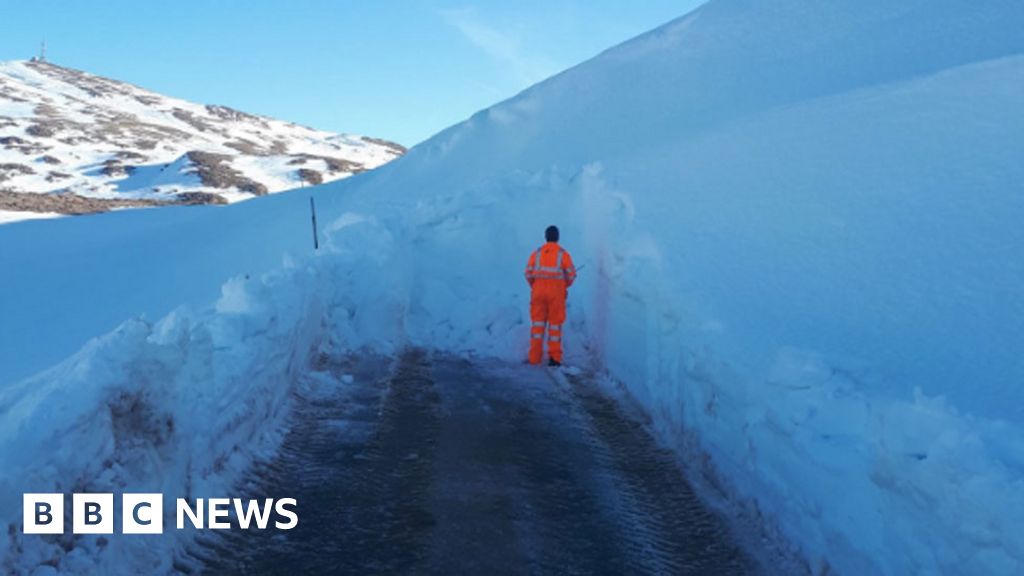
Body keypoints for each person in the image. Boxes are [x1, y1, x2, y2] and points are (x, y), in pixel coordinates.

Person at [524, 225, 576, 366]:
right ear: (557, 237)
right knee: (554, 325)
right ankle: (554, 358)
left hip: (538, 292)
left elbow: (528, 273)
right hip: (556, 295)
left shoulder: (537, 254)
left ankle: (534, 358)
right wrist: (564, 285)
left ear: (545, 237)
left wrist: (535, 285)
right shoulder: (563, 254)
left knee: (537, 325)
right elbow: (571, 274)